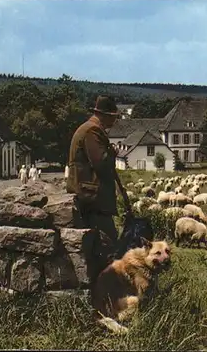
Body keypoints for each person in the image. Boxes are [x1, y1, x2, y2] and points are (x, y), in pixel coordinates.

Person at [66, 95, 130, 310]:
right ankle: (109, 301)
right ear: (104, 115)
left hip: (89, 197)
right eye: (113, 117)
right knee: (109, 247)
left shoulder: (87, 128)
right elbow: (101, 165)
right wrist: (112, 153)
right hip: (93, 199)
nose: (114, 122)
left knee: (101, 249)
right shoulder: (93, 131)